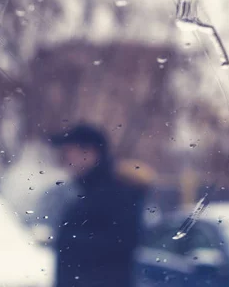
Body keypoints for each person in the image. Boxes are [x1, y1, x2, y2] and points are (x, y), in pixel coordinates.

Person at [50, 123, 153, 287]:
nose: (66, 159)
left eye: (69, 152)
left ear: (89, 153)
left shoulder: (116, 193)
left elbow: (123, 243)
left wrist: (69, 240)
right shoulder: (89, 191)